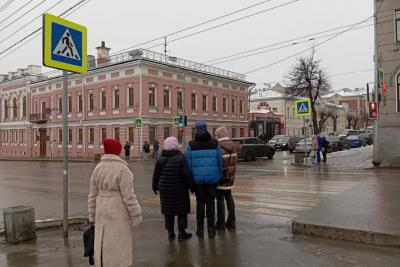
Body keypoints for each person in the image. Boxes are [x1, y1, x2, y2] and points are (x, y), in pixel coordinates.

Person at [88, 139, 142, 267]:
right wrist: (136, 216)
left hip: (101, 208)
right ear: (117, 151)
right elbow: (129, 197)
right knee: (119, 244)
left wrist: (92, 214)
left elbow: (92, 195)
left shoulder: (98, 168)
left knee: (103, 242)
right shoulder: (123, 170)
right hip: (118, 210)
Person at [152, 137, 195, 241]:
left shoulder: (160, 158)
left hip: (165, 190)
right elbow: (186, 174)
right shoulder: (180, 158)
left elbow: (156, 175)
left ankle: (170, 233)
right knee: (182, 212)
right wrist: (192, 187)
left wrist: (154, 186)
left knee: (168, 212)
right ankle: (181, 233)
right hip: (180, 190)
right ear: (175, 146)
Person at [186, 121, 223, 238]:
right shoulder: (215, 143)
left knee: (200, 204)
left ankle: (200, 229)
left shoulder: (191, 145)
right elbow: (220, 162)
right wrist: (218, 176)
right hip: (212, 179)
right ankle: (211, 229)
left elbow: (188, 165)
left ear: (196, 130)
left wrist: (191, 180)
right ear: (206, 129)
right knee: (211, 203)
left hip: (198, 181)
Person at [215, 126, 237, 231]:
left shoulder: (218, 147)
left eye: (216, 135)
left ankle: (221, 223)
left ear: (219, 135)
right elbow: (234, 163)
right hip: (230, 177)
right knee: (229, 198)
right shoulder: (232, 146)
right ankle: (231, 221)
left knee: (220, 200)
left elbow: (218, 164)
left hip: (221, 178)